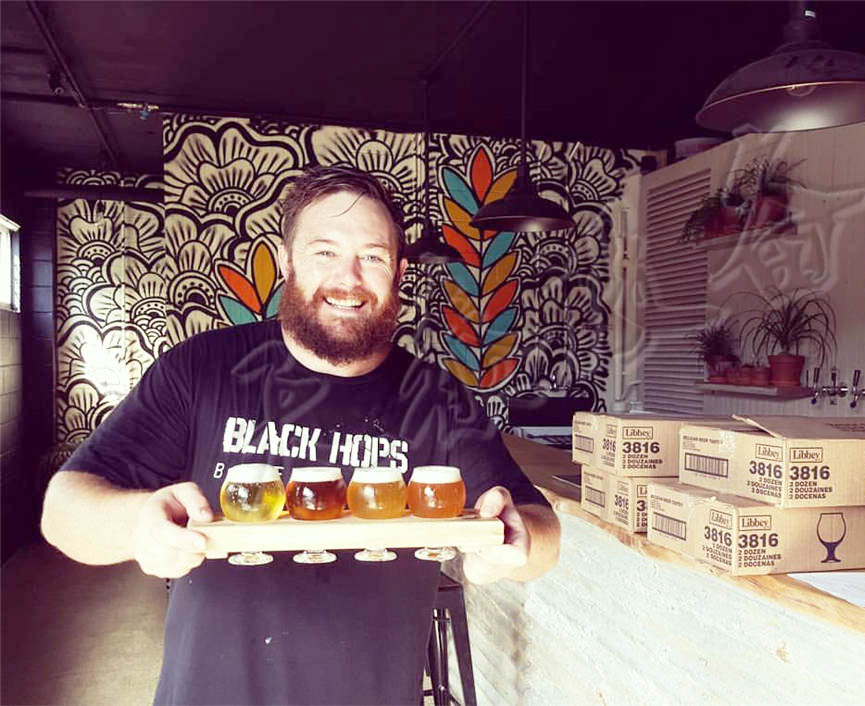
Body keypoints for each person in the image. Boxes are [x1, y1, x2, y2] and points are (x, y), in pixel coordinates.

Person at [40, 165, 561, 706]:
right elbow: (62, 512)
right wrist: (138, 525)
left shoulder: (438, 398)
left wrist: (510, 546)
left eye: (372, 256)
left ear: (399, 272)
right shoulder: (203, 369)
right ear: (287, 261)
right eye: (324, 252)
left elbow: (540, 526)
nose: (348, 279)